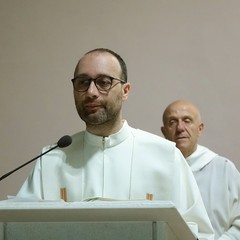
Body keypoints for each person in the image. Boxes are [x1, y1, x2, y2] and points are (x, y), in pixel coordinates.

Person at [17, 48, 214, 239]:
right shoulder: (52, 160)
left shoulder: (165, 156)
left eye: (104, 82)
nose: (91, 92)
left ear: (125, 91)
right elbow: (17, 228)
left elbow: (199, 234)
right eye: (83, 82)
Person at [161, 99, 240, 240]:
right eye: (172, 122)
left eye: (187, 120)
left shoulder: (224, 170)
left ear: (200, 129)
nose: (180, 128)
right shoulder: (157, 170)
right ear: (164, 131)